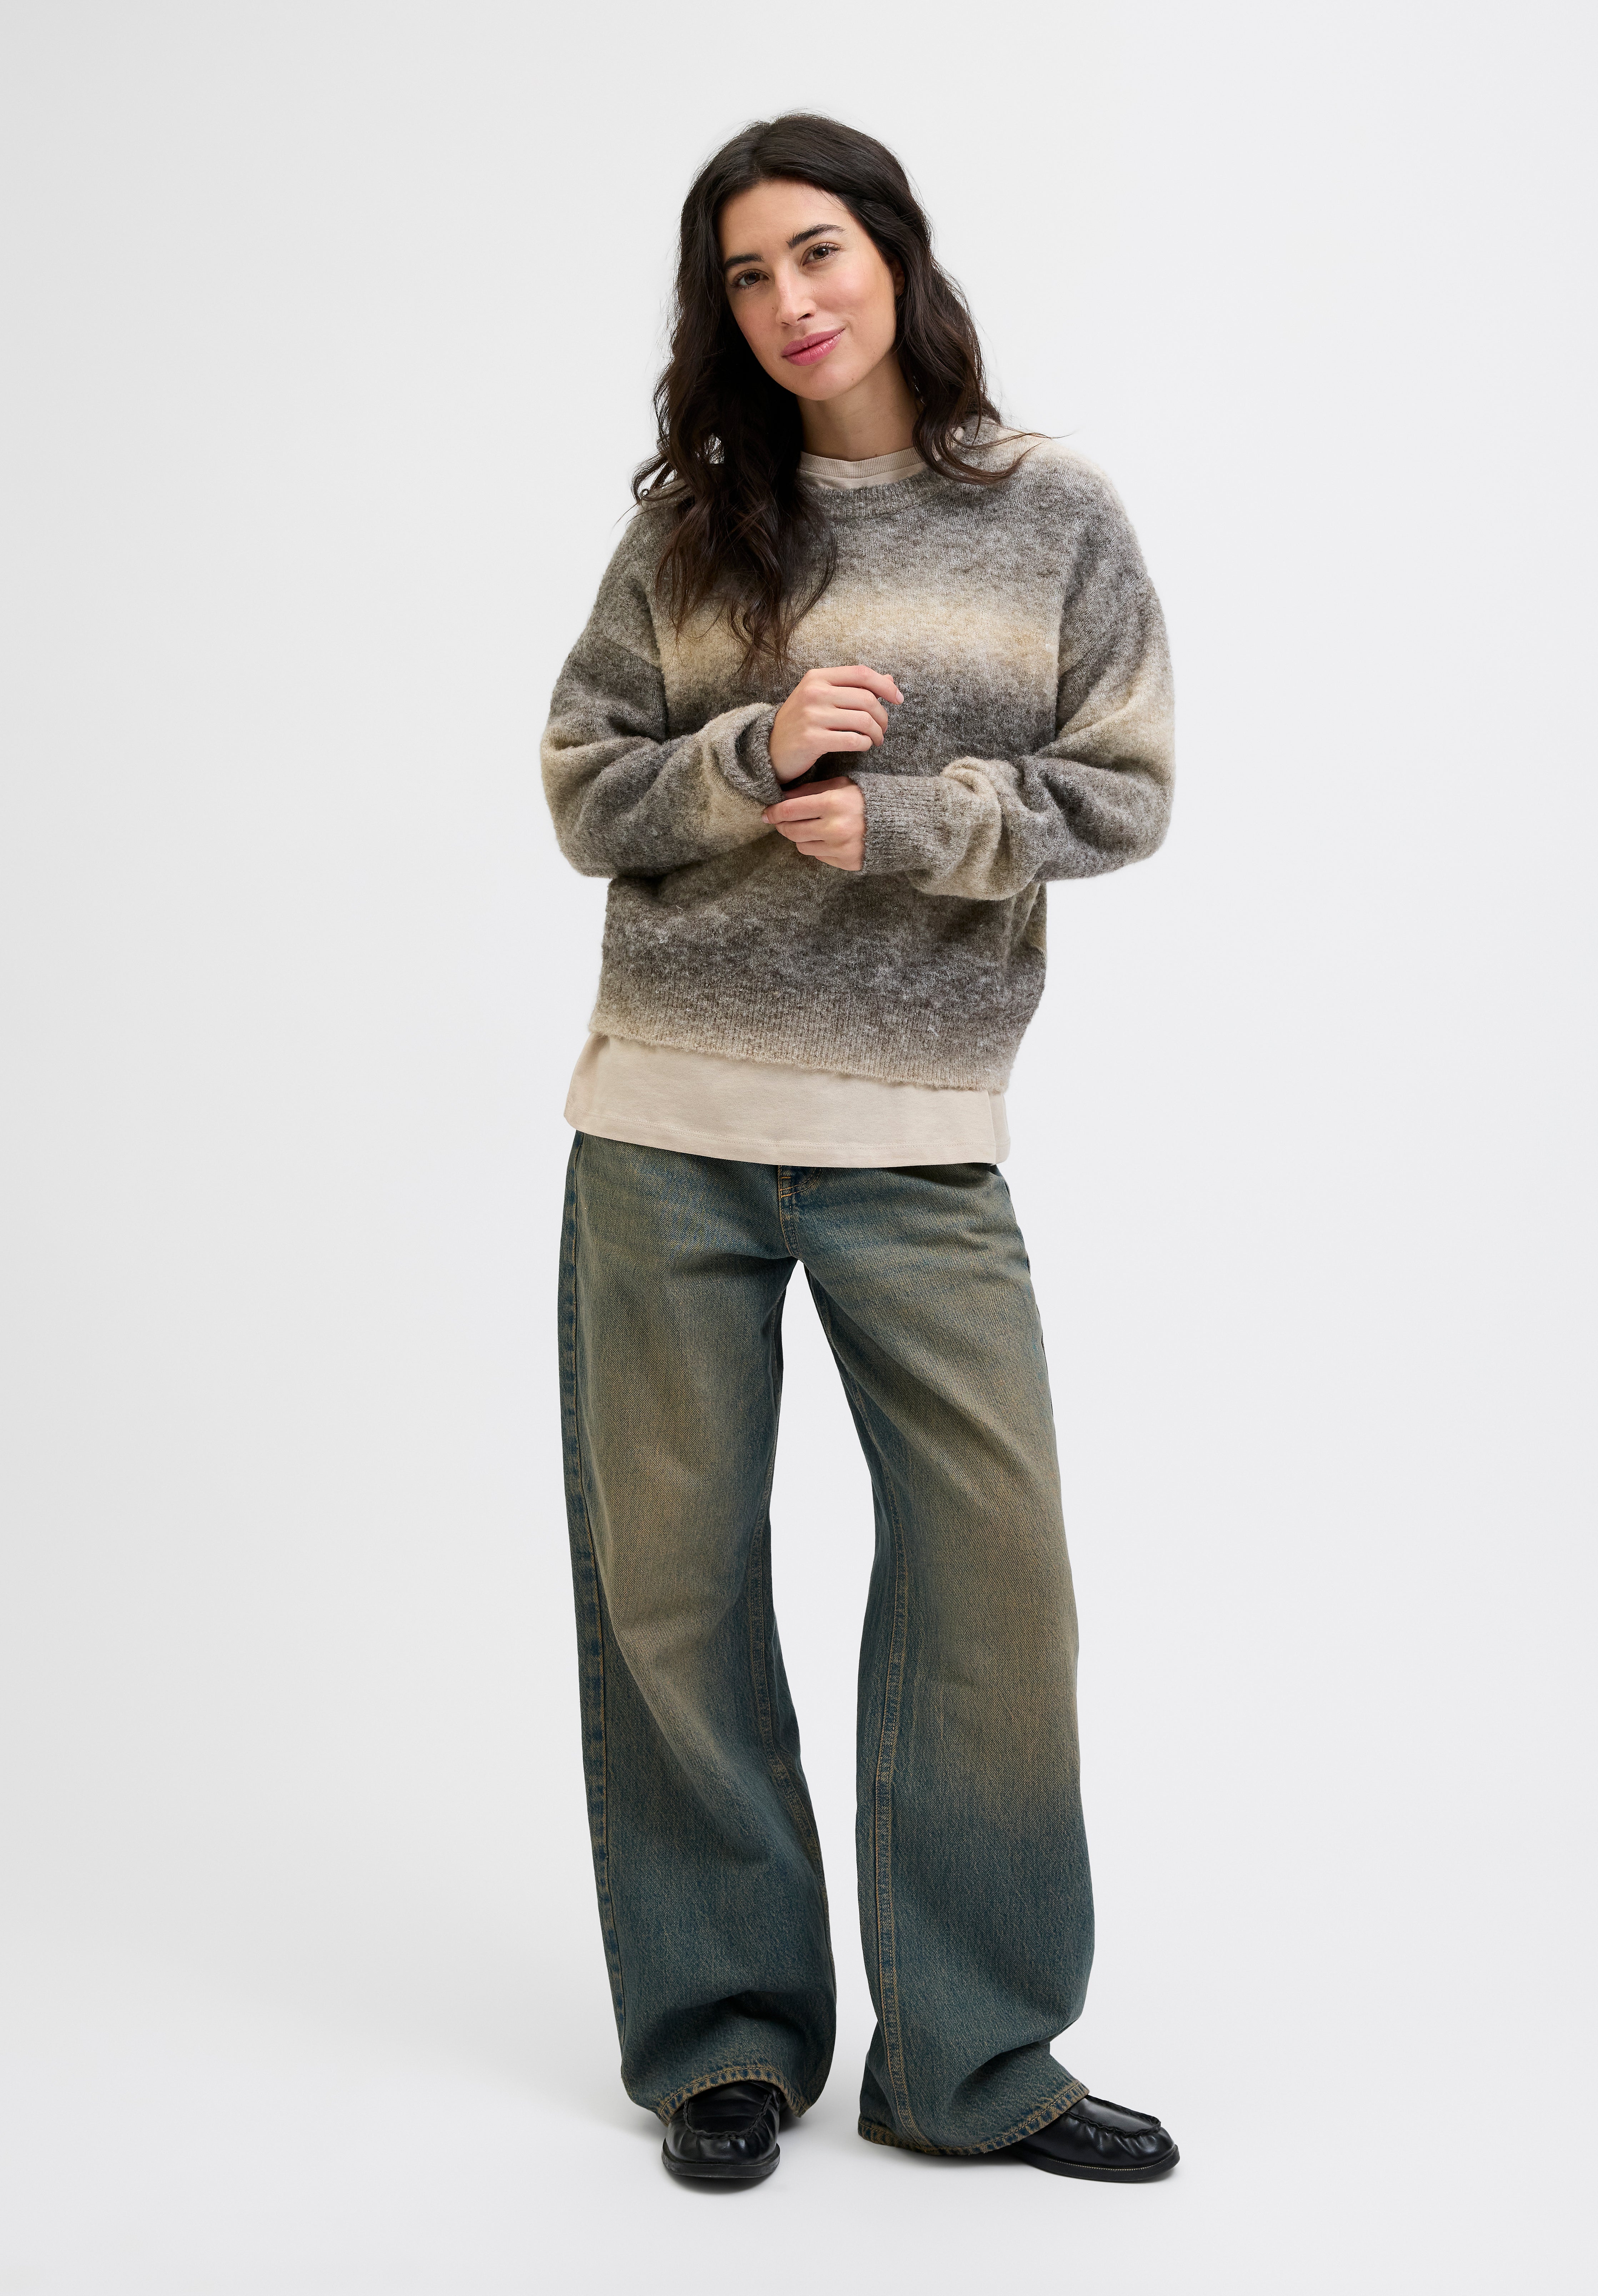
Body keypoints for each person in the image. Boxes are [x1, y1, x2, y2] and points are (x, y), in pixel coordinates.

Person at [540, 112, 1178, 2187]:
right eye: (744, 276)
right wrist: (750, 752)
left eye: (816, 251)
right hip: (668, 1126)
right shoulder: (689, 536)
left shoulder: (1049, 512)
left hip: (917, 1142)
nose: (790, 301)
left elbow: (1121, 792)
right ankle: (723, 2039)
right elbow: (587, 790)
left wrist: (910, 821)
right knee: (671, 1599)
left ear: (892, 253)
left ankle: (973, 2062)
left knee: (998, 1587)